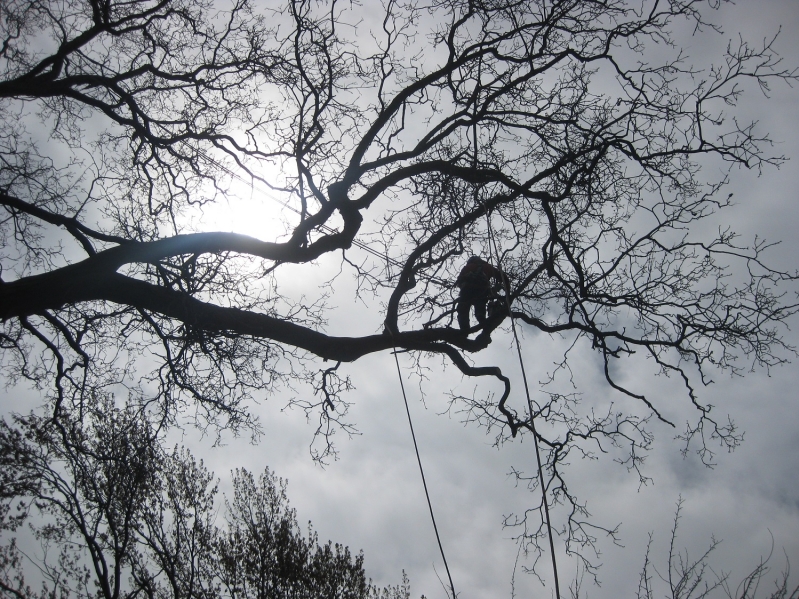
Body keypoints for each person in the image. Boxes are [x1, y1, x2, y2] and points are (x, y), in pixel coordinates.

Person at [455, 256, 506, 331]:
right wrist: (502, 278)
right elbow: (500, 276)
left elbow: (459, 281)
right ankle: (483, 321)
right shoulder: (487, 267)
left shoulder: (468, 267)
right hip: (481, 290)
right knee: (480, 307)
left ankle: (464, 328)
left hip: (467, 289)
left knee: (463, 309)